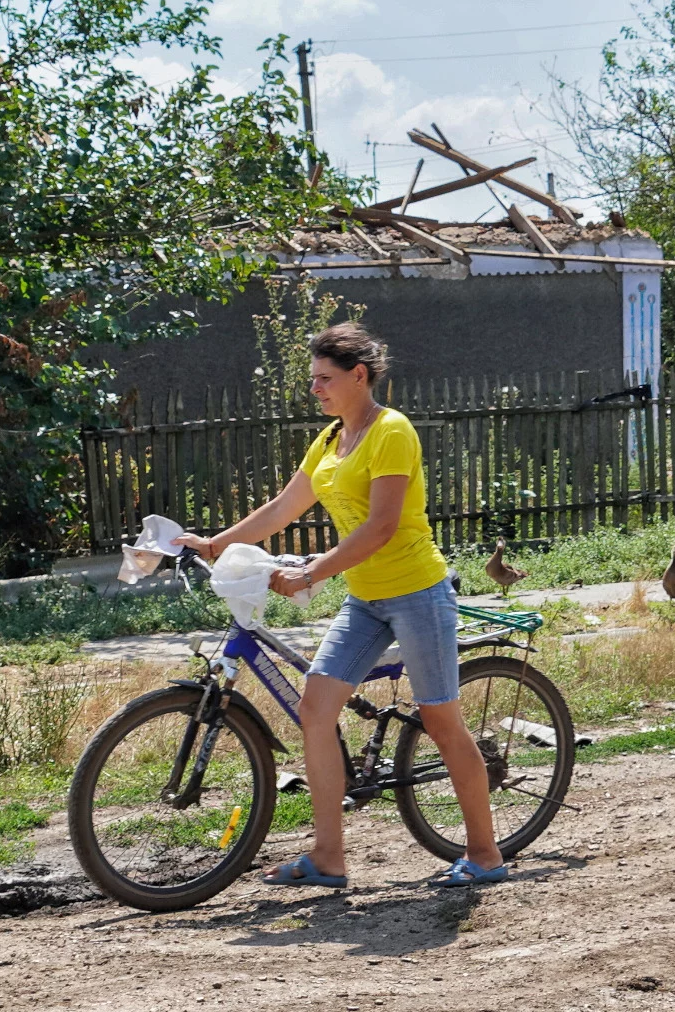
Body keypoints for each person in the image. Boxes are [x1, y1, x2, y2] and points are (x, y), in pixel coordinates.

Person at [180, 322, 505, 888]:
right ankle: (328, 856)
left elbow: (381, 527)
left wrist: (312, 570)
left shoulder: (392, 432)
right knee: (316, 711)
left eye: (324, 379)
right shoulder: (331, 439)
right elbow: (283, 508)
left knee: (440, 721)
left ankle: (484, 854)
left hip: (417, 593)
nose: (315, 389)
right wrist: (215, 543)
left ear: (360, 376)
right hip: (366, 597)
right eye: (312, 379)